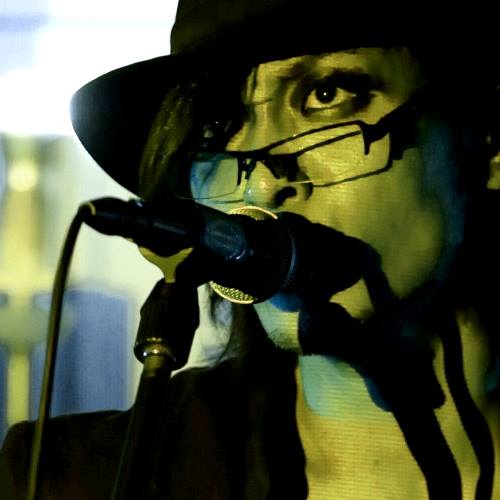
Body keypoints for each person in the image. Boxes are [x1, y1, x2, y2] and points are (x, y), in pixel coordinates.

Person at [1, 0, 499, 498]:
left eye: (326, 95)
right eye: (216, 124)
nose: (260, 187)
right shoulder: (67, 479)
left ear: (485, 140)